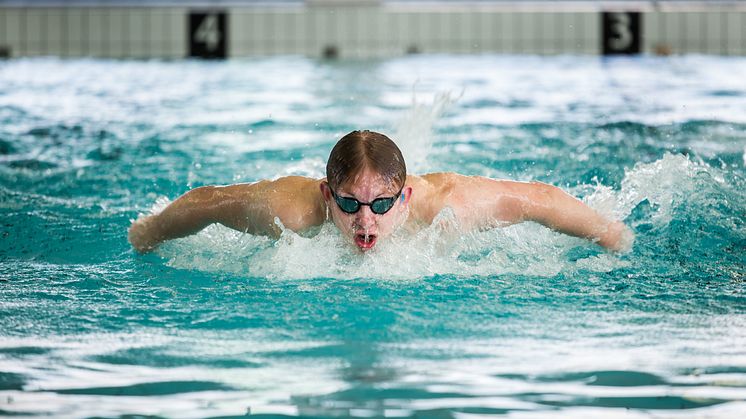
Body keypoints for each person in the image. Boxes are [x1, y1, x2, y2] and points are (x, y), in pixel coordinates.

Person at [128, 130, 633, 253]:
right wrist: (148, 232)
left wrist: (610, 233)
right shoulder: (290, 210)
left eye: (380, 206)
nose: (365, 223)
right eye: (349, 205)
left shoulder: (445, 205)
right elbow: (209, 203)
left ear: (405, 198)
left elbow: (538, 199)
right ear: (328, 196)